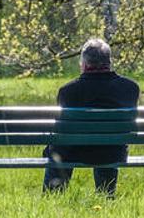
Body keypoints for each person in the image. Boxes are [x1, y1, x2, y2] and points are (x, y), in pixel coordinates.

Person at [43, 38, 139, 195]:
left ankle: (53, 196)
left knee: (58, 150)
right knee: (106, 146)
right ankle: (106, 195)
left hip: (75, 152)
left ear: (84, 64)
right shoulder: (130, 88)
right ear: (109, 62)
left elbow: (63, 130)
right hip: (114, 152)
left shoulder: (68, 91)